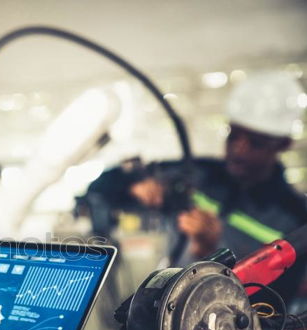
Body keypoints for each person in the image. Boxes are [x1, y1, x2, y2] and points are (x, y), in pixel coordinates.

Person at [84, 71, 307, 307]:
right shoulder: (198, 174)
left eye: (256, 142)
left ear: (283, 144)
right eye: (234, 135)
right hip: (166, 310)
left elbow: (275, 307)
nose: (239, 150)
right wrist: (134, 186)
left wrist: (208, 254)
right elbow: (101, 187)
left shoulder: (296, 219)